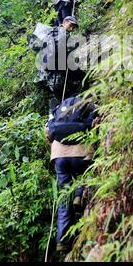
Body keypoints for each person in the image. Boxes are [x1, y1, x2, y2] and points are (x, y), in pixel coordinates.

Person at [45, 96, 99, 255]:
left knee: (63, 197)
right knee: (84, 174)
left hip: (59, 157)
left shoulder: (57, 111)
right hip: (81, 153)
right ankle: (79, 193)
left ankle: (62, 241)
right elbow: (96, 127)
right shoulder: (90, 107)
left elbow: (48, 133)